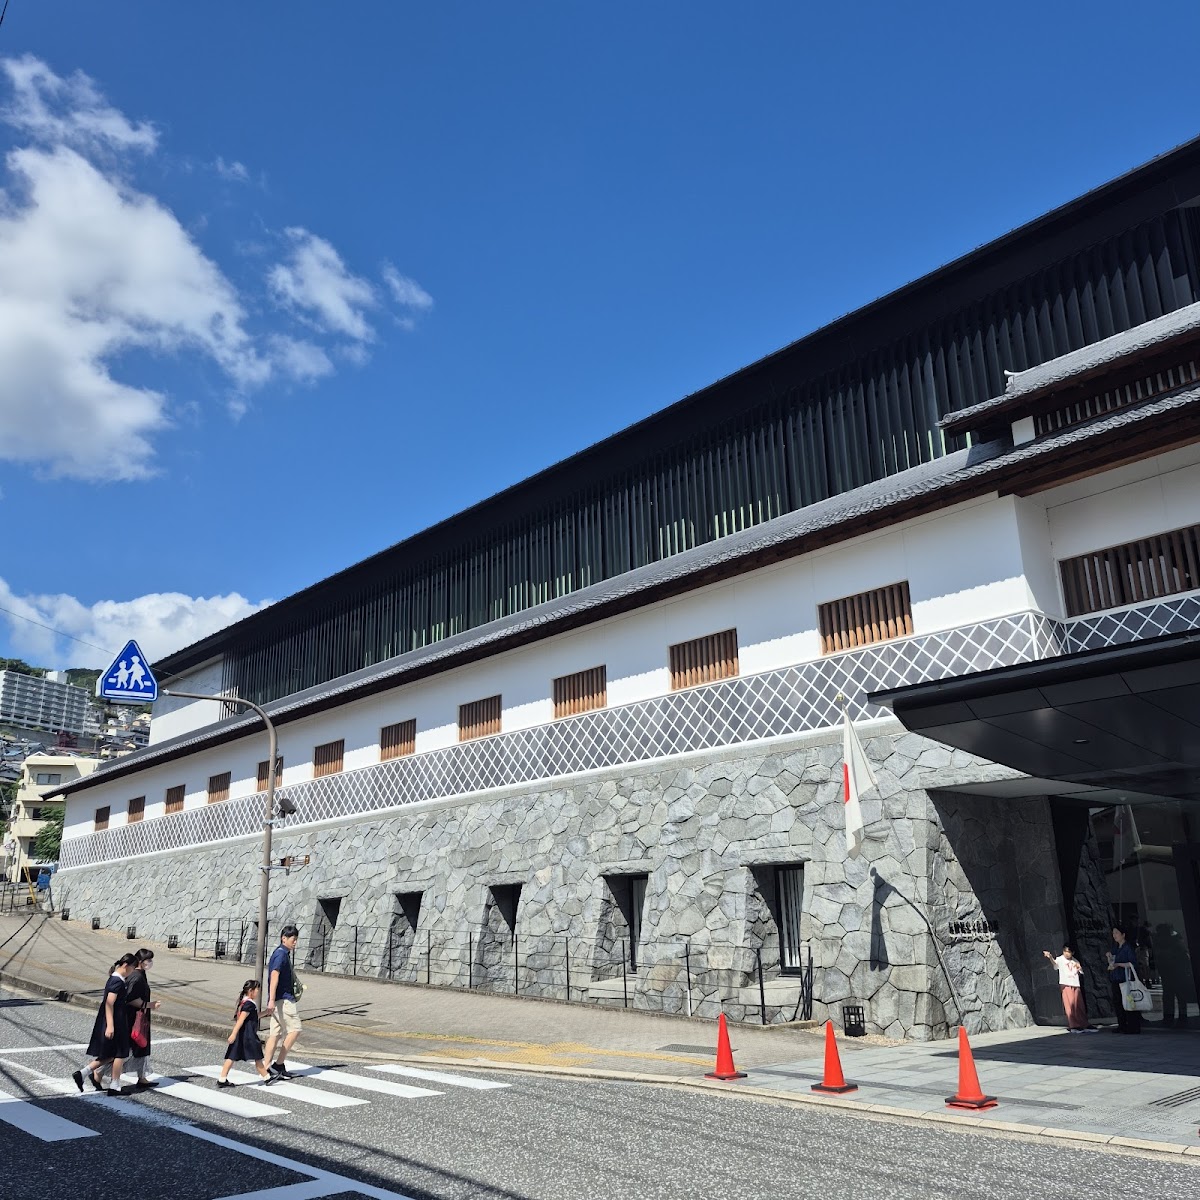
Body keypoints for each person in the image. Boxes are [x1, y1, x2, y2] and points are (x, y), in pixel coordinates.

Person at [72, 953, 136, 1096]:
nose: (133, 971)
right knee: (120, 1053)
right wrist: (111, 1025)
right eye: (132, 968)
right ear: (126, 966)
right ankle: (114, 1086)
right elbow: (109, 1003)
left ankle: (83, 1073)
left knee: (110, 1054)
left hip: (114, 1020)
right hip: (115, 1021)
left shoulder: (116, 979)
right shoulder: (116, 981)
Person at [262, 925, 302, 1082]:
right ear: (283, 938)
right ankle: (278, 1064)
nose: (295, 943)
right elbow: (274, 975)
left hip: (278, 999)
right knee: (295, 1029)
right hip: (284, 1000)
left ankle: (266, 1067)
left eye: (296, 940)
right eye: (293, 939)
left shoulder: (280, 953)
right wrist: (271, 999)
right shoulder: (281, 955)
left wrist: (271, 999)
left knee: (275, 1033)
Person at [217, 980, 271, 1087]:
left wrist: (266, 1013)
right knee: (257, 1057)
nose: (258, 993)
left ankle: (222, 1079)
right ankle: (267, 1077)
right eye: (257, 990)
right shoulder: (249, 1004)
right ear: (251, 991)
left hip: (241, 1035)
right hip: (248, 1035)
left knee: (231, 1056)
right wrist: (233, 1034)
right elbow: (241, 1020)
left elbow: (252, 1017)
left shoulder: (244, 1003)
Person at [123, 947, 161, 1089]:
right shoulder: (136, 976)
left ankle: (142, 1076)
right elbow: (131, 998)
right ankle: (98, 1071)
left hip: (140, 1016)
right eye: (148, 960)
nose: (150, 962)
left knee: (141, 1046)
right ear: (140, 961)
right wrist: (150, 1005)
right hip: (134, 1017)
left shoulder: (141, 974)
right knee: (131, 1047)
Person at [1042, 945, 1092, 1031]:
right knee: (1070, 1004)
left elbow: (1080, 971)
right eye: (1065, 951)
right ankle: (1074, 1025)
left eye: (1068, 952)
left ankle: (1083, 1023)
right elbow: (1055, 964)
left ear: (1072, 953)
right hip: (1066, 984)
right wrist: (1050, 957)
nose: (1066, 953)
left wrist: (1079, 968)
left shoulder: (1075, 960)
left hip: (1075, 984)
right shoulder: (1060, 959)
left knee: (1079, 1005)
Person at [1106, 925, 1142, 1034]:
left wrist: (1118, 964)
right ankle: (1122, 1025)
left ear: (1123, 935)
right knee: (1118, 1002)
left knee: (1129, 1002)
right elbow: (1112, 962)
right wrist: (1109, 957)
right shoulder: (1116, 948)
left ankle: (1132, 1026)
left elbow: (1132, 963)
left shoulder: (1128, 947)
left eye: (1117, 933)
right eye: (1113, 933)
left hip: (1126, 979)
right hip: (1116, 978)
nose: (1114, 935)